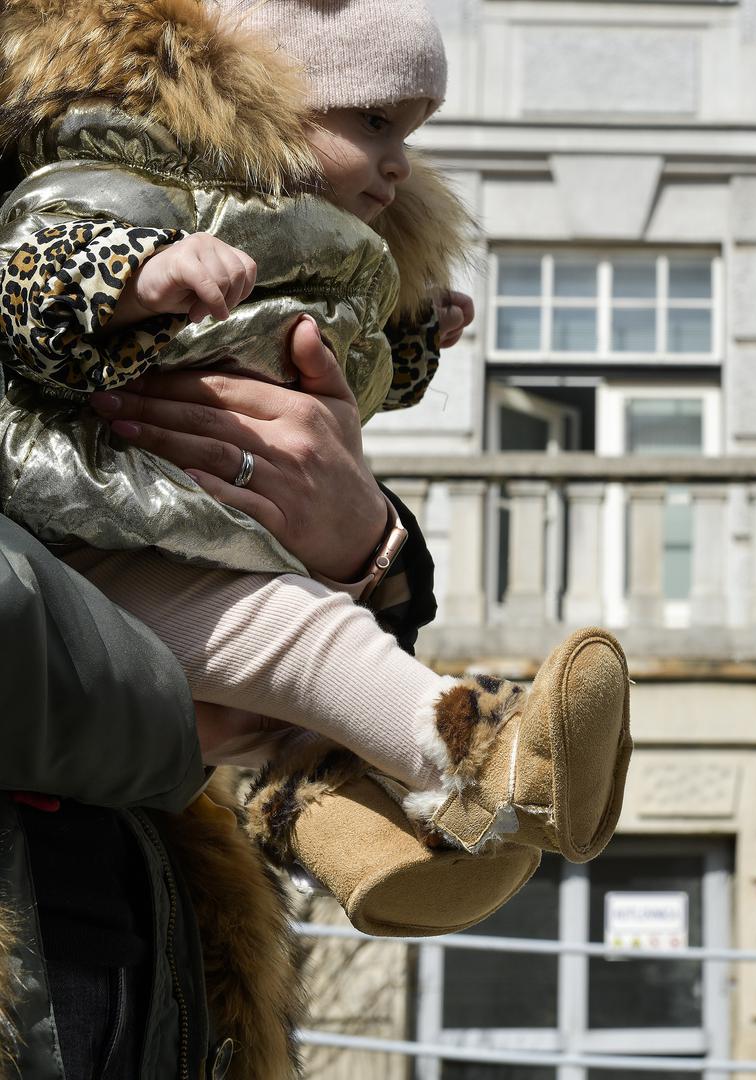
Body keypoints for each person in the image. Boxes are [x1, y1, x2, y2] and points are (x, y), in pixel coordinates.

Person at [0, 0, 634, 938]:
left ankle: (358, 841)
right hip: (88, 521)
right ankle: (472, 744)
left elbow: (341, 370)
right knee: (298, 638)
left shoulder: (311, 236)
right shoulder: (127, 170)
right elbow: (34, 263)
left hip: (176, 547)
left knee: (297, 703)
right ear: (266, 94)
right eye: (374, 122)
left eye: (410, 134)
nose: (398, 163)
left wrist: (413, 340)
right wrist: (139, 276)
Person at [0, 328, 429, 1079]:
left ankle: (439, 807)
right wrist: (171, 723)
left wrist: (370, 545)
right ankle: (470, 754)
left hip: (159, 929)